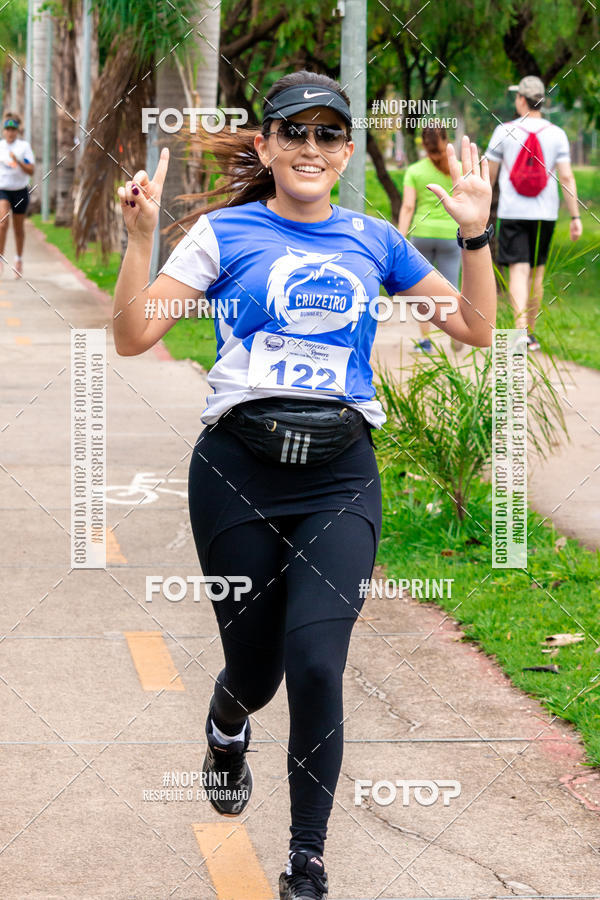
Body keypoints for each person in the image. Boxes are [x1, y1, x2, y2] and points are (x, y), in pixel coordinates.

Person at [112, 70, 496, 900]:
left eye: (328, 134)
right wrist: (140, 237)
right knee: (257, 674)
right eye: (295, 131)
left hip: (339, 476)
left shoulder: (374, 240)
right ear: (267, 145)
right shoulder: (224, 234)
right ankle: (226, 723)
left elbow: (474, 329)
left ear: (347, 151)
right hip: (237, 473)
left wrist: (474, 237)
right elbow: (136, 335)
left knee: (318, 662)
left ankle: (305, 863)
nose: (311, 147)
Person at [486, 75, 582, 351]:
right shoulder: (557, 134)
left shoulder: (503, 132)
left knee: (518, 270)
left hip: (513, 212)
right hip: (546, 214)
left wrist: (483, 211)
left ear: (520, 100)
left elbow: (490, 177)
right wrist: (575, 217)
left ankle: (518, 334)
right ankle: (531, 334)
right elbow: (567, 177)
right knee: (536, 273)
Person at [398, 126, 463, 352]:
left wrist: (400, 236)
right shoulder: (460, 169)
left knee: (420, 290)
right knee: (451, 288)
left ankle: (426, 341)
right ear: (446, 140)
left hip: (422, 233)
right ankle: (457, 334)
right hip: (450, 234)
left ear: (423, 144)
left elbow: (408, 207)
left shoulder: (415, 171)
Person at [0, 113, 35, 279]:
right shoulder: (0, 147)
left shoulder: (24, 147)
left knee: (18, 228)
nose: (10, 132)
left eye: (13, 129)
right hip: (3, 190)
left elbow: (31, 170)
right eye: (7, 129)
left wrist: (18, 161)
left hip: (20, 190)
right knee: (2, 223)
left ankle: (19, 259)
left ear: (17, 131)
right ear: (3, 130)